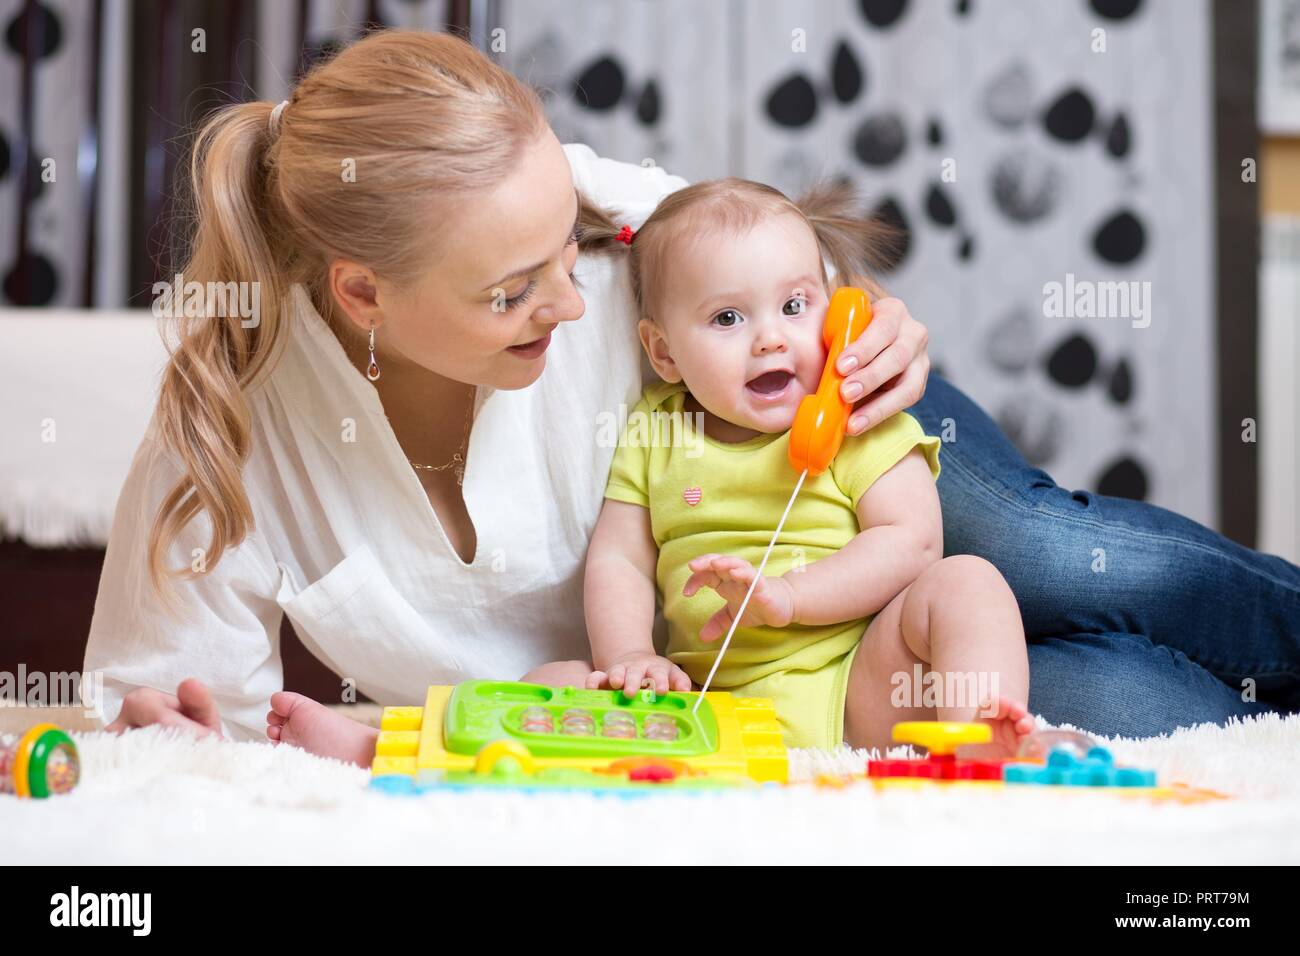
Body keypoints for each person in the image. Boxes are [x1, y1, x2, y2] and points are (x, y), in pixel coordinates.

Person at [87, 30, 1300, 752]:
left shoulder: (585, 213)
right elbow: (159, 709)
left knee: (1041, 553)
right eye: (513, 293)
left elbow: (762, 264)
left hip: (813, 428)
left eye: (569, 253)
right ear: (362, 295)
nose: (575, 303)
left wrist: (864, 315)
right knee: (1111, 694)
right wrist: (175, 743)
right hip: (749, 678)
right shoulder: (229, 422)